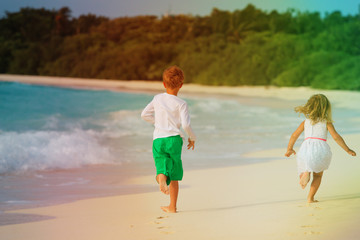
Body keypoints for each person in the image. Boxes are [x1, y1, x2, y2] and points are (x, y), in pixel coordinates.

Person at [141, 65, 196, 213]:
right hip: (174, 140)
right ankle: (172, 207)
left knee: (161, 164)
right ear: (181, 85)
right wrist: (192, 138)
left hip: (158, 139)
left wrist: (157, 123)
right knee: (174, 173)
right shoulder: (182, 104)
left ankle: (161, 177)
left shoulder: (158, 98)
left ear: (164, 84)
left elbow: (144, 115)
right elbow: (186, 125)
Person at [285, 94, 356, 203]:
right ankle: (310, 198)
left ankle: (306, 172)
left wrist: (289, 148)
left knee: (304, 166)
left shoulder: (305, 122)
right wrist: (347, 149)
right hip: (320, 149)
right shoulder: (326, 122)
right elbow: (336, 137)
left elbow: (294, 135)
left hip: (306, 148)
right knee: (317, 176)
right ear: (325, 107)